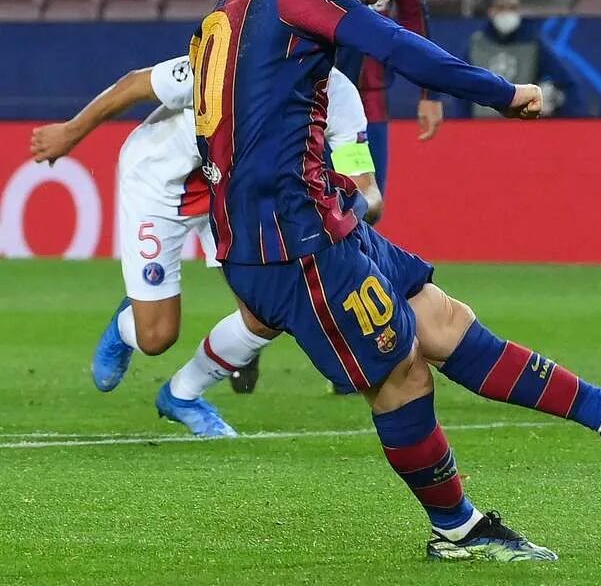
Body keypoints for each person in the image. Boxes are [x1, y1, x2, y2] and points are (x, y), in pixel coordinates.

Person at [195, 0, 601, 561]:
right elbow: (398, 48)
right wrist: (503, 93)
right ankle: (458, 529)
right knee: (403, 372)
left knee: (442, 319)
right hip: (291, 238)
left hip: (315, 214)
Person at [28, 58, 378, 436]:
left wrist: (351, 205)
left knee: (267, 314)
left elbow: (366, 189)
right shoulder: (236, 56)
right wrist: (70, 132)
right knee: (157, 337)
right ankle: (129, 322)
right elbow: (135, 84)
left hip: (229, 196)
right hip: (160, 180)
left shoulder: (341, 96)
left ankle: (182, 394)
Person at [274, 0, 444, 197]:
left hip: (369, 100)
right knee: (307, 201)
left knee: (364, 203)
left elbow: (413, 12)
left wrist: (429, 92)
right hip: (307, 96)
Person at [466, 0, 581, 118]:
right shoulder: (476, 45)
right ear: (491, 11)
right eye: (501, 7)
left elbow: (566, 82)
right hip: (481, 125)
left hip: (521, 125)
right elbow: (463, 87)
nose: (507, 13)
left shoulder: (533, 44)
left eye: (513, 8)